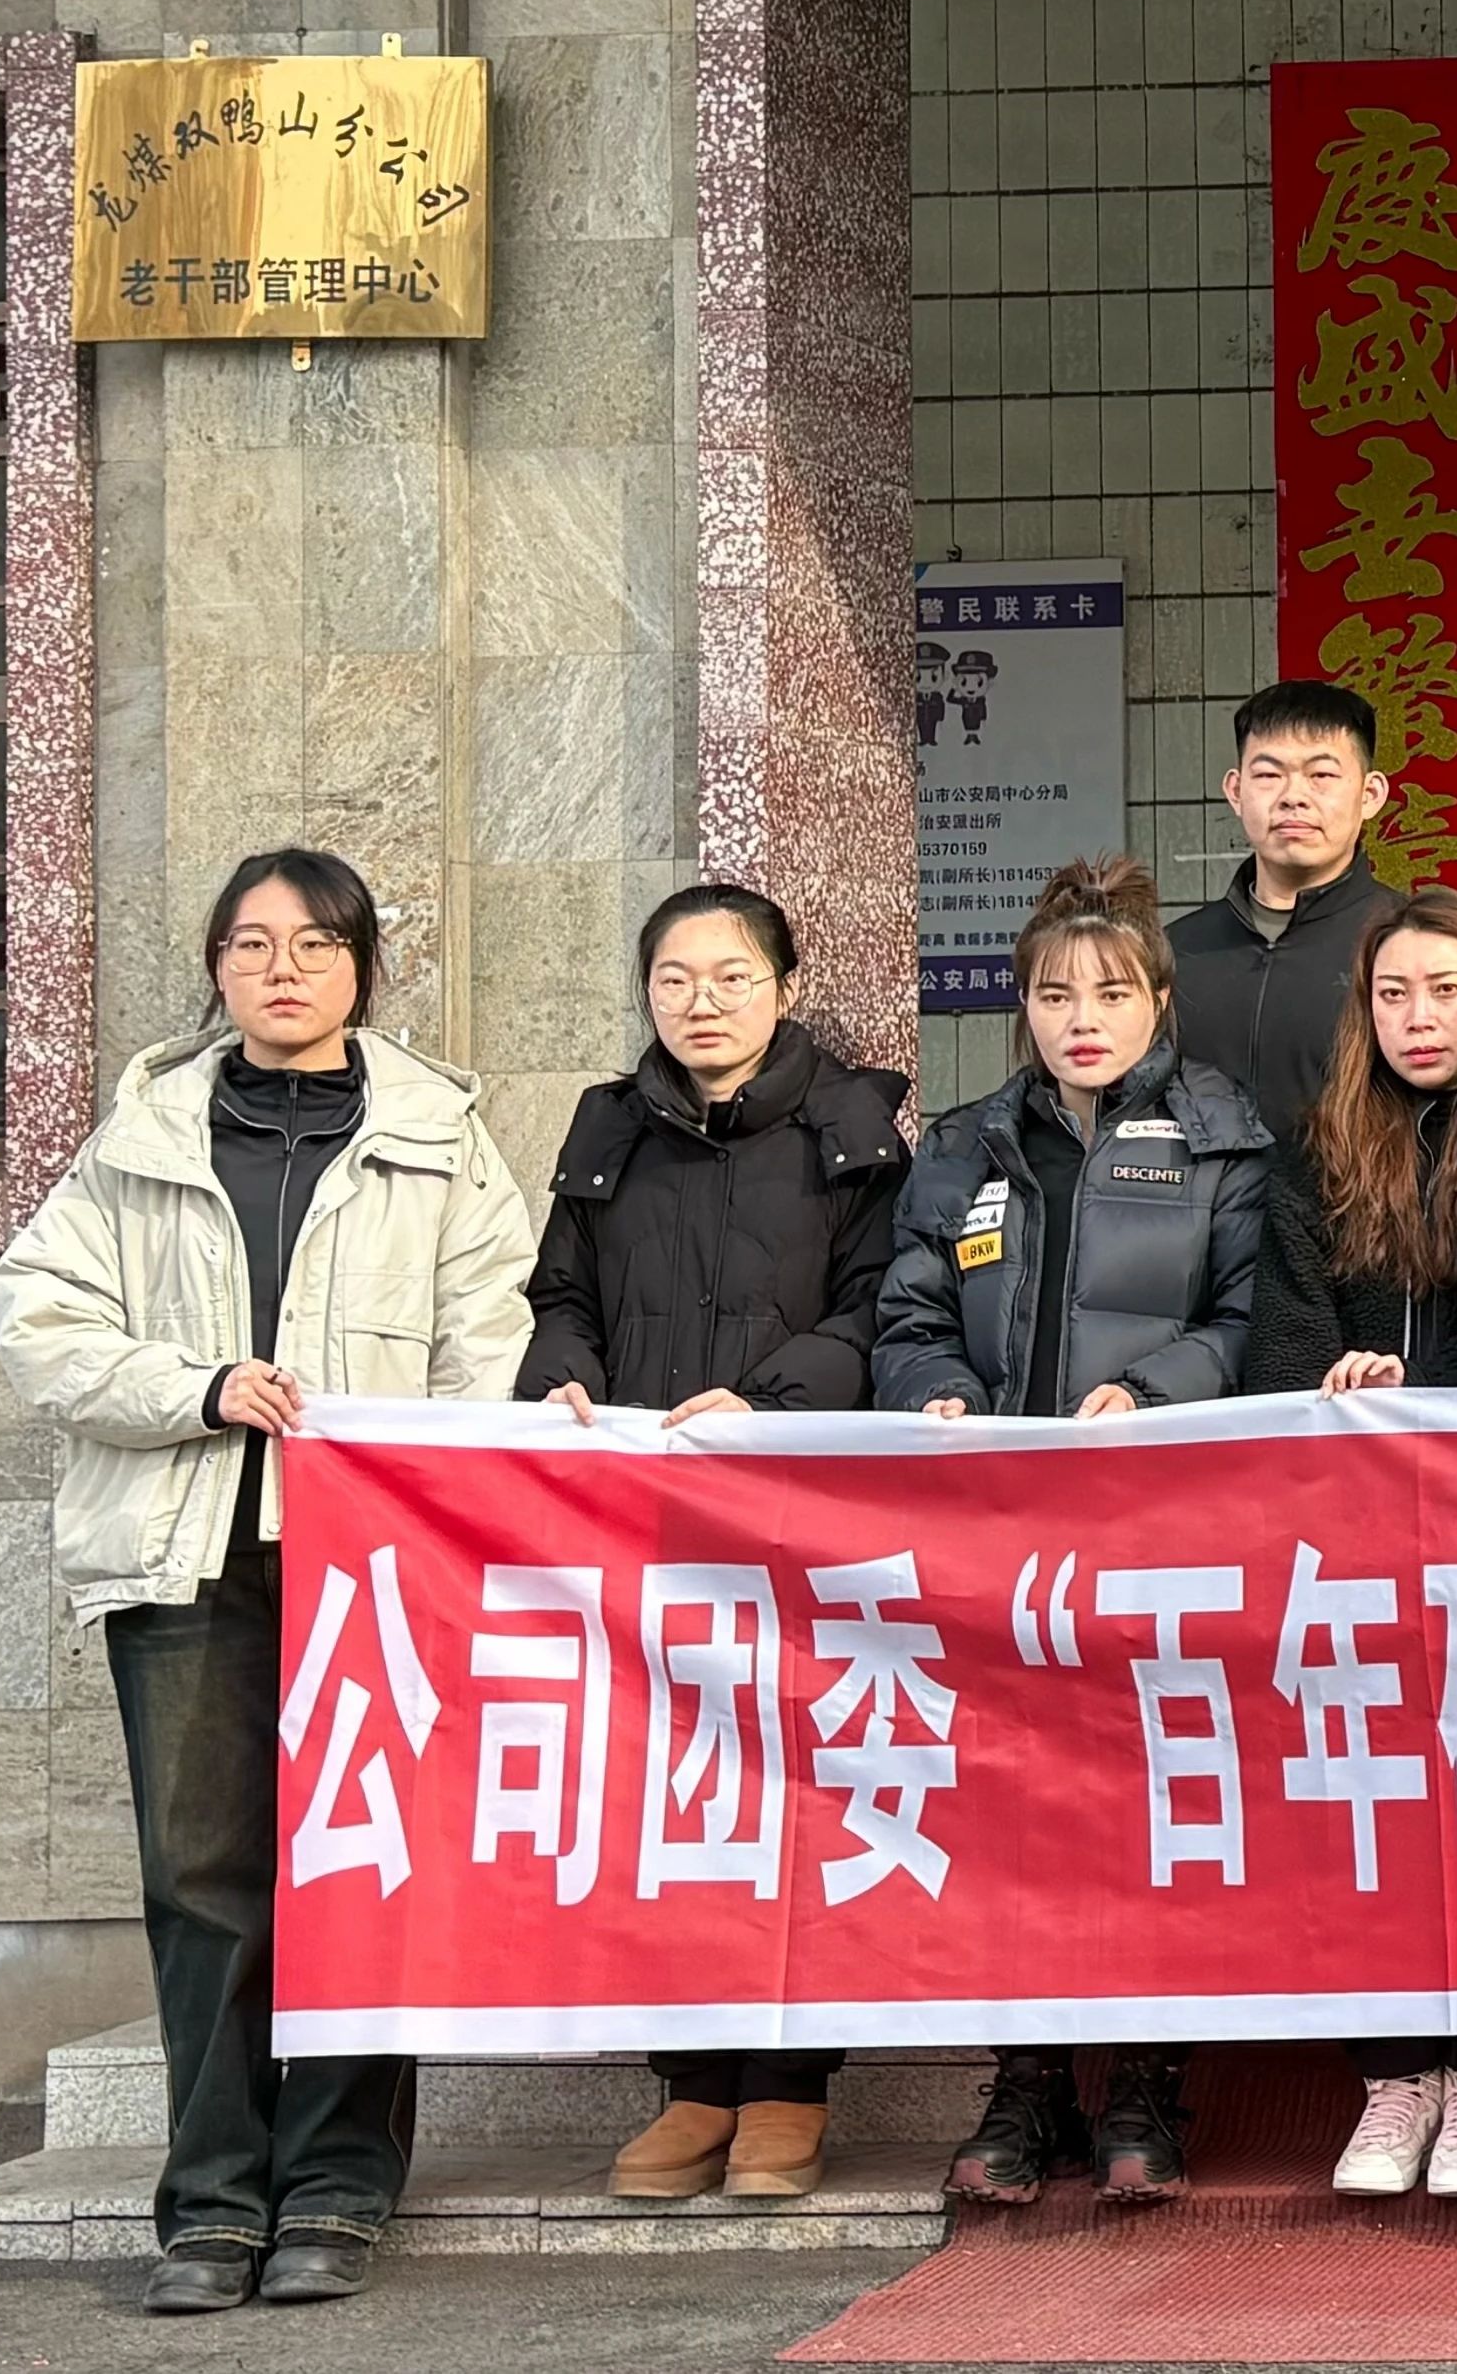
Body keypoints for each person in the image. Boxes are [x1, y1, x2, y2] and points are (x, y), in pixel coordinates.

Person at [0, 849, 535, 2315]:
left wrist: (414, 1480)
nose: (280, 968)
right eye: (249, 943)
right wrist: (199, 1385)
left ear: (363, 962)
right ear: (216, 966)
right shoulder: (141, 1136)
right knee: (203, 1882)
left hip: (371, 1562)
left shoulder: (438, 1136)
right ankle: (214, 2201)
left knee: (361, 1865)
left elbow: (487, 1340)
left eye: (311, 942)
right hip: (186, 1556)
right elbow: (37, 1320)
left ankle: (340, 2185)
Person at [874, 857, 1272, 2210]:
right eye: (1054, 994)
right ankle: (1029, 2078)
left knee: (1147, 1798)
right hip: (999, 1530)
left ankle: (1147, 2080)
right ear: (1023, 1009)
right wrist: (935, 1389)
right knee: (1012, 1808)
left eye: (1109, 991)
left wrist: (1152, 1391)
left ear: (1159, 997)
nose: (1081, 1017)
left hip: (1155, 1519)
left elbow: (1246, 1319)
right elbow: (909, 1310)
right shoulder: (965, 1144)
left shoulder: (1224, 1138)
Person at [520, 882, 913, 2208]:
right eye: (676, 978)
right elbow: (561, 1295)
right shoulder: (610, 1127)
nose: (704, 1001)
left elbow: (881, 1302)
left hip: (796, 1499)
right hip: (644, 1512)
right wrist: (564, 1384)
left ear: (785, 987)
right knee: (666, 1792)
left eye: (734, 975)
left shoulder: (852, 1125)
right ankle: (692, 2081)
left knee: (793, 1789)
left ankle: (791, 2084)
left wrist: (773, 1401)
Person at [1243, 886, 1457, 2207]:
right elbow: (1278, 1331)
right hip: (1353, 1529)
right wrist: (1336, 1379)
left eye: (1444, 990)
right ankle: (1392, 2070)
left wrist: (1436, 1387)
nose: (1417, 1018)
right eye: (1392, 994)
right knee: (1372, 1797)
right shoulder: (1315, 1149)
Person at [1169, 678, 1395, 1134]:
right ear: (1236, 792)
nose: (1294, 797)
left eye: (1322, 775)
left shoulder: (1408, 944)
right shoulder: (1173, 953)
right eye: (1269, 775)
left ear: (1370, 795)